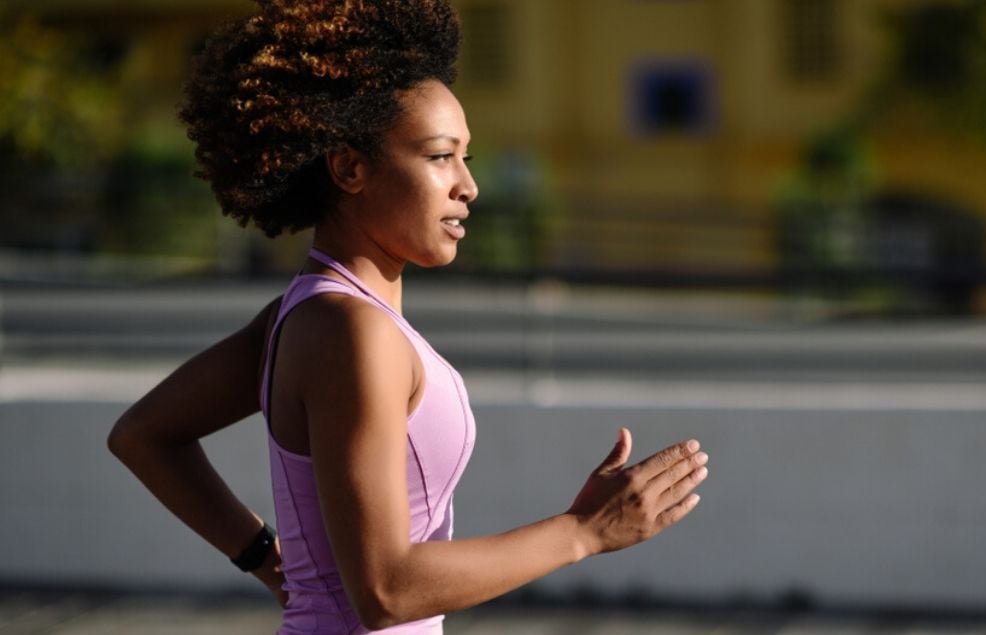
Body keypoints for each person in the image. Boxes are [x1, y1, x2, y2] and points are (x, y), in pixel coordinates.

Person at [106, 1, 709, 633]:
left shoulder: (311, 314)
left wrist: (273, 562)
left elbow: (144, 435)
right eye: (440, 156)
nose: (467, 186)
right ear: (349, 168)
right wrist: (583, 532)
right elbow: (386, 589)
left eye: (466, 159)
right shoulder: (349, 331)